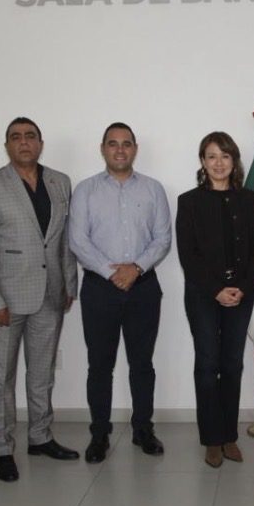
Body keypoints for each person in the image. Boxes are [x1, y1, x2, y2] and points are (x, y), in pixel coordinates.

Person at [0, 117, 80, 483]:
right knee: (1, 377)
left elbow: (64, 240)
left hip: (50, 294)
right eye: (16, 137)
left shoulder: (60, 182)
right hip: (7, 299)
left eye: (30, 136)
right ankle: (2, 447)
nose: (24, 142)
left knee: (42, 373)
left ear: (40, 143)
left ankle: (40, 436)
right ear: (7, 146)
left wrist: (69, 283)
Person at [70, 122, 172, 463]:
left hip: (143, 287)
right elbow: (77, 240)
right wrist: (112, 272)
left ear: (135, 149)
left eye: (126, 143)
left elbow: (163, 238)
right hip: (100, 288)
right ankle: (99, 434)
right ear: (103, 149)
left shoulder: (153, 189)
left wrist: (136, 268)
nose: (119, 149)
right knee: (99, 365)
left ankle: (143, 429)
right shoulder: (85, 190)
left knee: (142, 364)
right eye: (112, 143)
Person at [175, 132, 254, 468]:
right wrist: (216, 289)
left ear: (234, 161)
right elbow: (188, 255)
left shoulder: (248, 199)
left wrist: (241, 286)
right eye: (211, 156)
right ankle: (211, 439)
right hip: (203, 295)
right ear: (202, 161)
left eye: (225, 156)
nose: (218, 163)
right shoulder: (189, 201)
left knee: (232, 364)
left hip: (241, 293)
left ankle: (229, 436)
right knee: (207, 364)